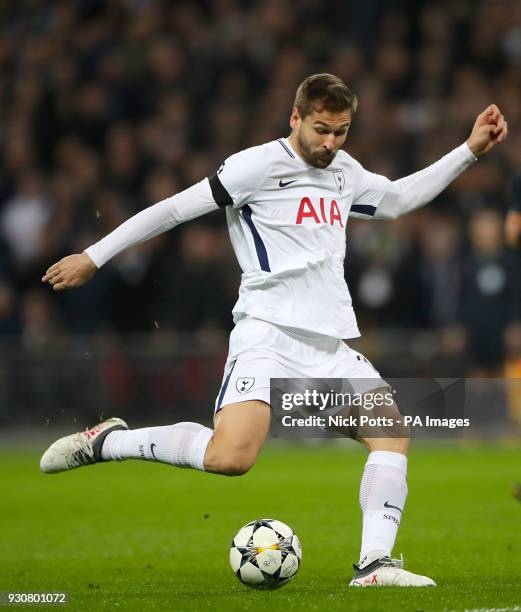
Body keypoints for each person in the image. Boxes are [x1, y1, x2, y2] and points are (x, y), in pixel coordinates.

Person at [40, 74, 508, 587]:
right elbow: (172, 209)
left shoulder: (343, 171)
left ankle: (375, 566)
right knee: (231, 458)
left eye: (342, 131)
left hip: (328, 344)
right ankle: (111, 442)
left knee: (392, 433)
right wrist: (93, 256)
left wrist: (468, 150)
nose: (331, 143)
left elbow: (396, 199)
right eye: (322, 129)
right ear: (295, 117)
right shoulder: (255, 167)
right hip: (268, 335)